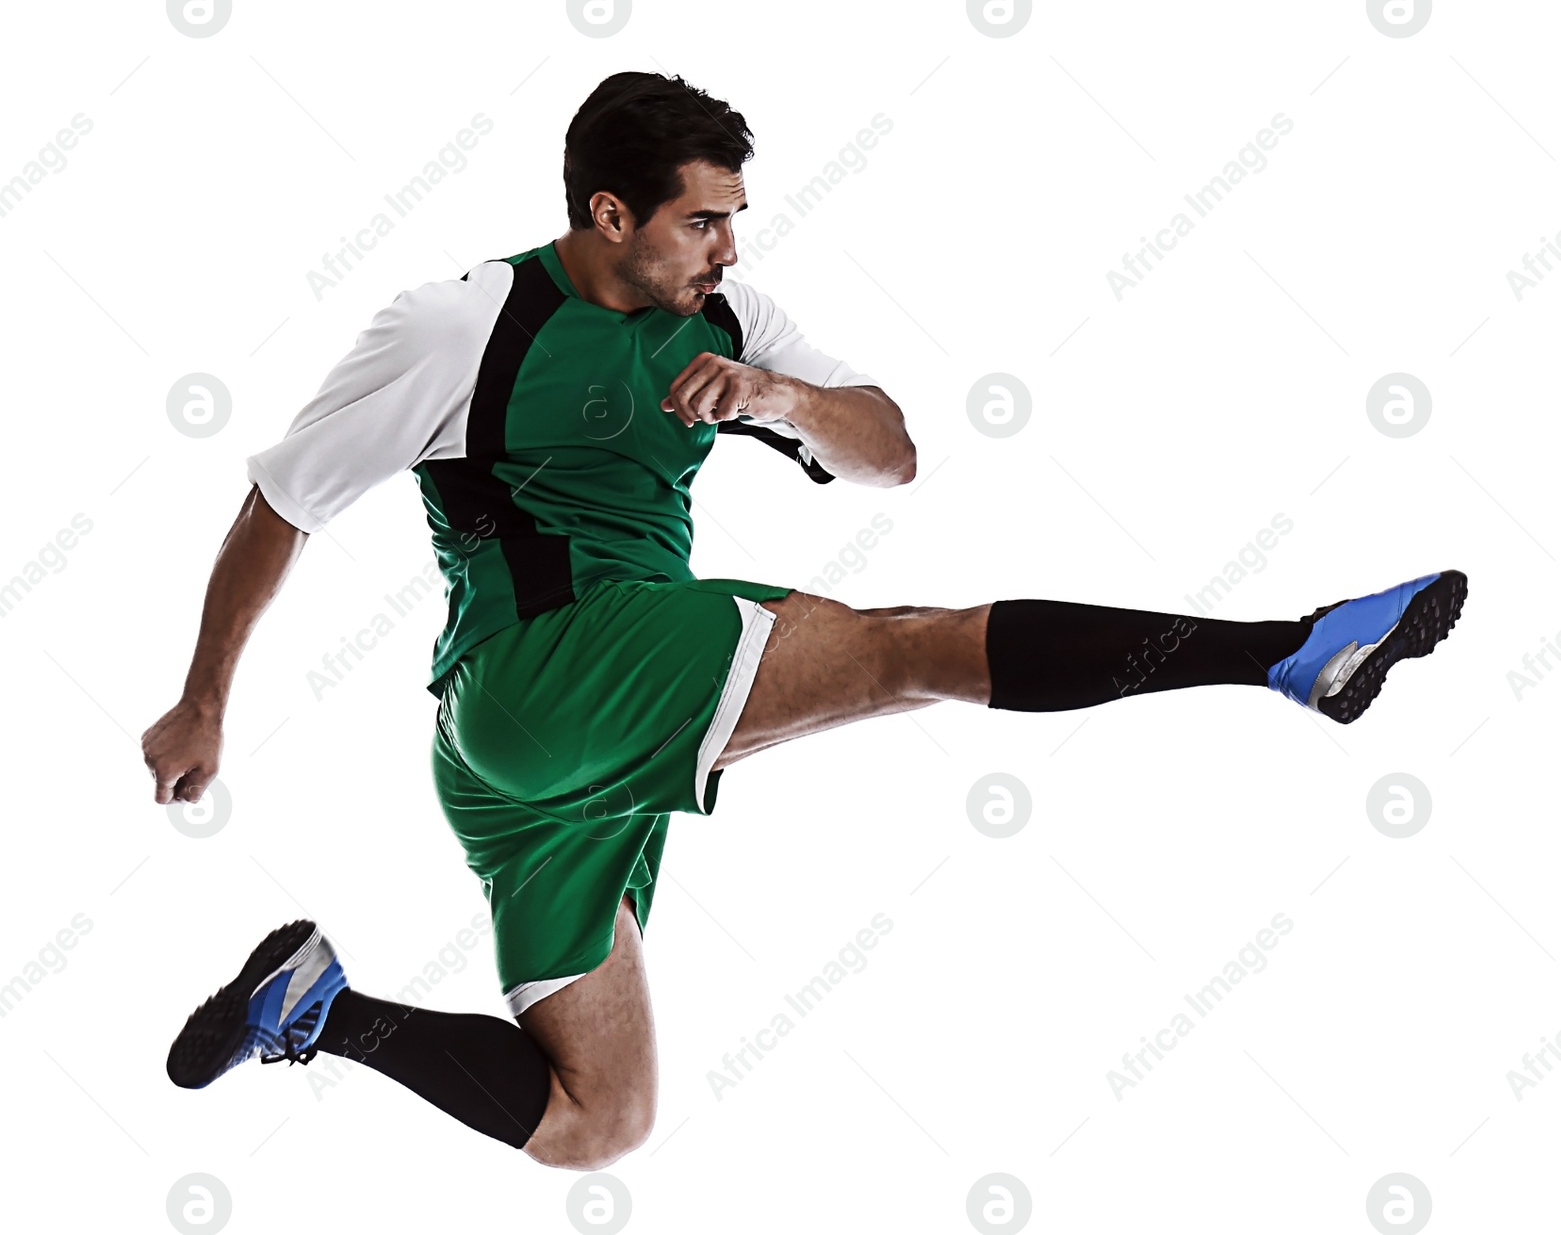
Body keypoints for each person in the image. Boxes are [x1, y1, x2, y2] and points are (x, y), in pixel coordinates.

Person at [141, 71, 1467, 1171]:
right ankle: (1285, 652)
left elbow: (889, 450)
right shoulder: (458, 324)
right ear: (612, 213)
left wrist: (776, 394)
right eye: (704, 221)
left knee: (599, 1116)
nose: (729, 248)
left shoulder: (726, 319)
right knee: (909, 650)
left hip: (509, 770)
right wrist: (205, 698)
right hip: (553, 668)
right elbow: (283, 500)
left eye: (734, 219)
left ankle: (318, 1010)